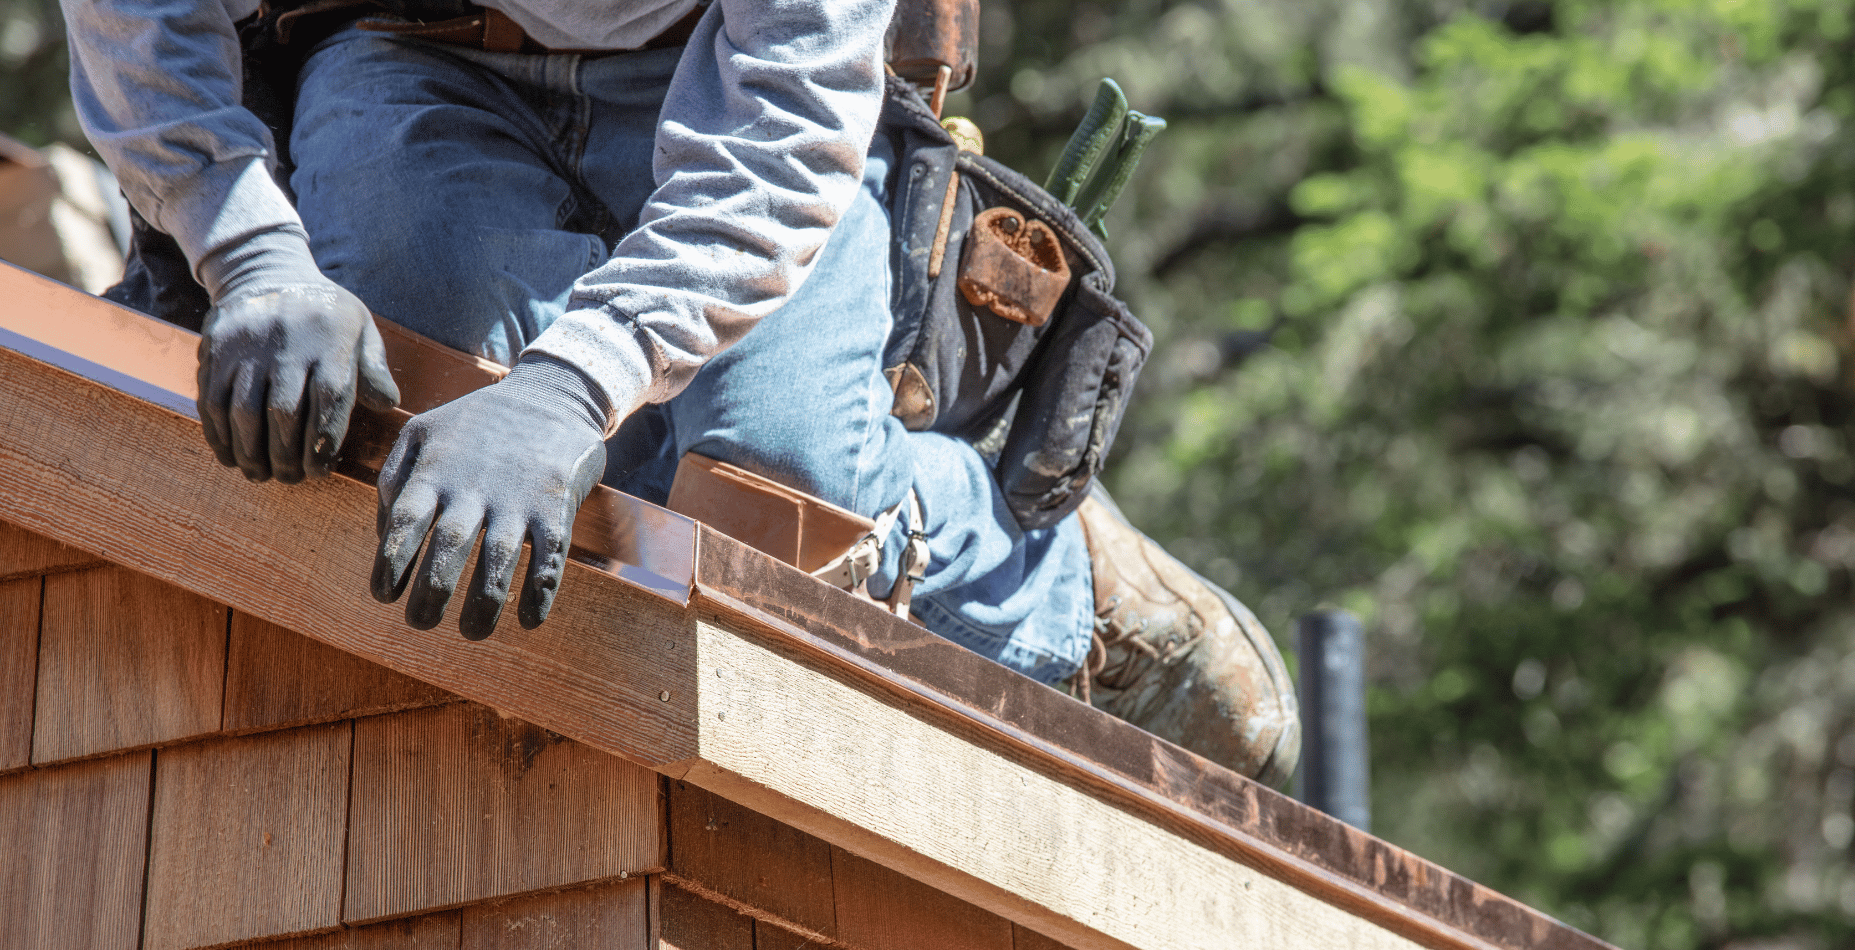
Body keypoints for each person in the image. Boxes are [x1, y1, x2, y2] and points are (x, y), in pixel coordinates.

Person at [62, 0, 1300, 787]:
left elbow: (781, 127)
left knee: (772, 505)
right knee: (414, 412)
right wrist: (251, 252)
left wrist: (567, 391)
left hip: (729, 73)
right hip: (403, 53)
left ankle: (1058, 588)